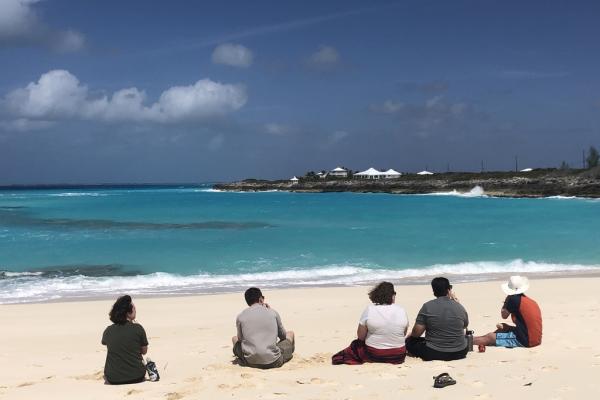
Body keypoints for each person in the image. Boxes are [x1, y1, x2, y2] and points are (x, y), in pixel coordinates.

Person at [332, 281, 409, 365]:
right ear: (392, 296)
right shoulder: (401, 310)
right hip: (398, 356)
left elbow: (360, 336)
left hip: (374, 354)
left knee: (355, 345)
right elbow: (403, 333)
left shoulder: (370, 309)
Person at [406, 277, 469, 361]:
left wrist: (411, 336)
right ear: (448, 290)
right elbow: (465, 325)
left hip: (434, 352)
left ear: (434, 291)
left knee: (410, 341)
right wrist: (457, 303)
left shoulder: (427, 306)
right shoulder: (459, 306)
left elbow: (417, 333)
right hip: (461, 351)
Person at [232, 287, 295, 369]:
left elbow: (240, 339)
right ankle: (288, 353)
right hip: (274, 361)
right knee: (290, 334)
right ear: (261, 299)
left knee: (234, 338)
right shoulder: (273, 312)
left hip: (250, 362)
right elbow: (283, 336)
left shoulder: (240, 316)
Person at [474, 275, 542, 349]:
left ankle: (468, 340)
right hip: (536, 338)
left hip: (526, 341)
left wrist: (506, 302)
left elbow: (504, 315)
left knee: (490, 337)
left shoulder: (513, 299)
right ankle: (476, 338)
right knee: (504, 327)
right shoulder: (530, 301)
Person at [101, 295, 149, 384]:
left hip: (113, 377)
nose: (135, 310)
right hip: (137, 375)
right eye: (133, 308)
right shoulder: (138, 328)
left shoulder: (108, 330)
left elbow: (107, 343)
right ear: (128, 312)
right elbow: (144, 351)